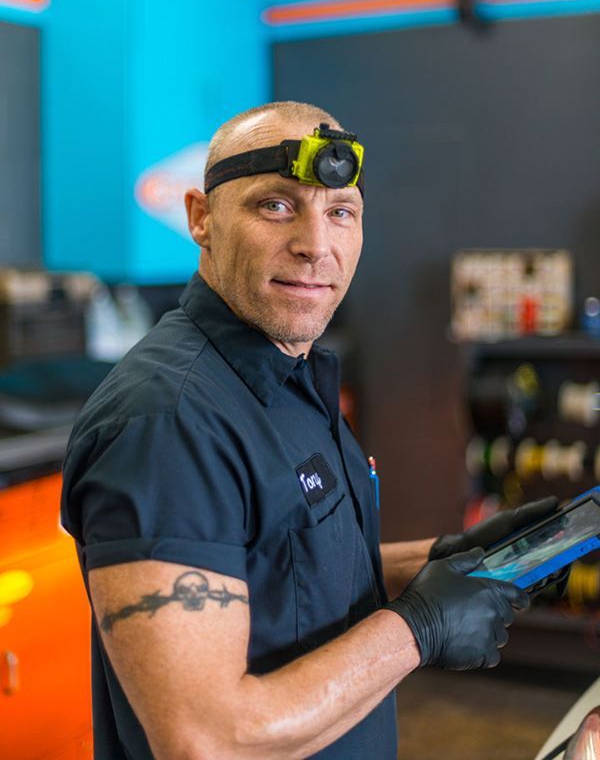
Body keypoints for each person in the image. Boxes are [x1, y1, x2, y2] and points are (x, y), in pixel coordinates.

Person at [61, 101, 557, 760]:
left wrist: (443, 561)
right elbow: (206, 740)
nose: (315, 245)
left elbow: (275, 571)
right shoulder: (168, 421)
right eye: (275, 206)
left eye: (340, 212)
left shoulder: (292, 379)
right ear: (201, 219)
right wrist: (419, 627)